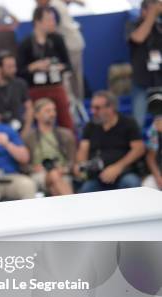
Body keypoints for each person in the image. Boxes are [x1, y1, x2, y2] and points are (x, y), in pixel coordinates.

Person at [75, 91, 145, 193]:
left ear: (111, 108)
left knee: (131, 183)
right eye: (92, 107)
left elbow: (139, 148)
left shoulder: (128, 123)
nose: (92, 111)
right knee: (85, 190)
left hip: (124, 173)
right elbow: (83, 149)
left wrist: (118, 167)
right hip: (98, 176)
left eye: (97, 108)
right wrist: (81, 165)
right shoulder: (90, 126)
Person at [17, 6, 74, 130]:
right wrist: (34, 67)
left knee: (67, 122)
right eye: (49, 19)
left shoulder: (58, 40)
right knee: (35, 121)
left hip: (56, 86)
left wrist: (58, 67)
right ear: (38, 22)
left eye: (53, 19)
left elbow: (69, 65)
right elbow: (19, 72)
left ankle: (70, 145)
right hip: (35, 89)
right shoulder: (26, 44)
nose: (53, 22)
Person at [22, 98, 75, 195]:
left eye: (54, 110)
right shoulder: (29, 138)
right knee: (54, 176)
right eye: (48, 111)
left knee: (55, 185)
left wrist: (64, 169)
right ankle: (73, 206)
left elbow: (72, 160)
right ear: (36, 115)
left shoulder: (66, 134)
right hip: (39, 174)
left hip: (62, 173)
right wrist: (34, 168)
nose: (52, 114)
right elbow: (23, 165)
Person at [36, 0, 86, 101]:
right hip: (73, 43)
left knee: (72, 78)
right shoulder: (57, 4)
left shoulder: (53, 7)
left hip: (72, 45)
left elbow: (53, 26)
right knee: (73, 78)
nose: (36, 3)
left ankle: (77, 104)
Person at [0, 52, 34, 139]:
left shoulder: (20, 84)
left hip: (20, 129)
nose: (14, 70)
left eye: (14, 66)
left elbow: (29, 107)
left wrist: (26, 130)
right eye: (9, 67)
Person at [126, 0, 162, 129]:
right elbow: (138, 38)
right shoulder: (132, 24)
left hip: (159, 79)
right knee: (137, 122)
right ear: (143, 10)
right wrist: (152, 15)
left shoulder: (159, 26)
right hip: (141, 81)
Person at [143, 113, 162, 190]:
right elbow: (150, 158)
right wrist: (158, 178)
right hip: (159, 172)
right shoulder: (154, 129)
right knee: (148, 185)